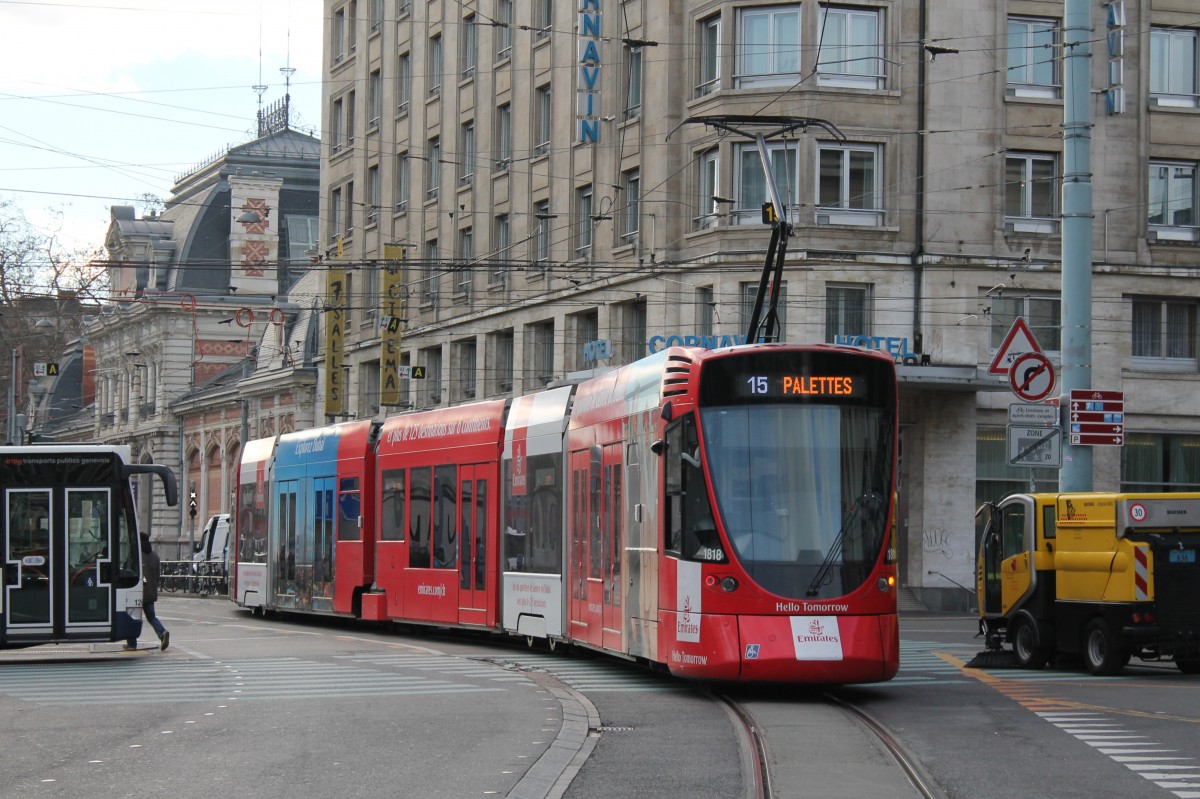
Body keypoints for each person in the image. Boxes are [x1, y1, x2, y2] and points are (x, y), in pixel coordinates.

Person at [126, 533, 169, 651]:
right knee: (152, 617)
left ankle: (132, 643)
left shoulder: (136, 555)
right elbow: (157, 575)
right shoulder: (155, 556)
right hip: (150, 592)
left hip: (136, 591)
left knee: (132, 617)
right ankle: (162, 633)